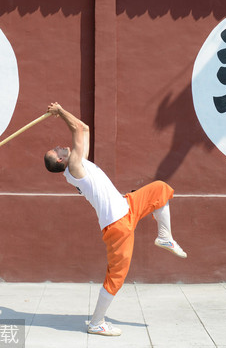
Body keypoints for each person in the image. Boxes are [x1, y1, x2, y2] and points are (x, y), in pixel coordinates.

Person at [43, 102, 186, 337]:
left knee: (160, 189)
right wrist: (59, 113)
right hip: (117, 225)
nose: (60, 146)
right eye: (57, 150)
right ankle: (96, 322)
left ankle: (164, 236)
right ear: (60, 161)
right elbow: (77, 128)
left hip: (126, 206)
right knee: (116, 276)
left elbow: (85, 129)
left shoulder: (80, 164)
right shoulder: (75, 167)